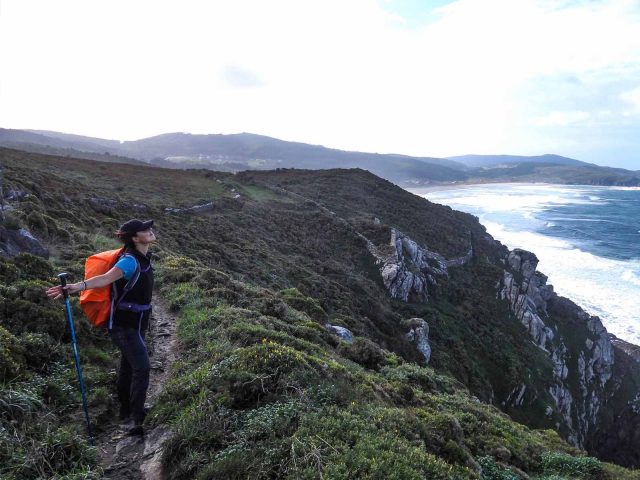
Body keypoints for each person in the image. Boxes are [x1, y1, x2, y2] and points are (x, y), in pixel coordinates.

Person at [47, 219, 156, 436]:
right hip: (125, 325)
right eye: (145, 230)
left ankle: (126, 410)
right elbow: (105, 278)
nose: (150, 231)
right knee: (142, 368)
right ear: (135, 238)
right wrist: (78, 287)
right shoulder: (130, 261)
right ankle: (136, 419)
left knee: (128, 366)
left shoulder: (144, 258)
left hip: (136, 321)